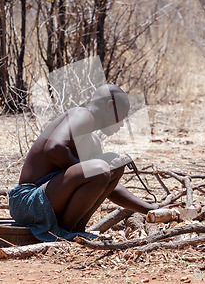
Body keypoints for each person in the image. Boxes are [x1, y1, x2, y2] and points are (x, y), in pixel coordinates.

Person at [9, 84, 158, 241]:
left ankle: (74, 229)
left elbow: (105, 182)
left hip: (46, 202)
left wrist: (150, 208)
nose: (121, 124)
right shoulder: (82, 114)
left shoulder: (93, 140)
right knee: (101, 168)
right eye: (121, 116)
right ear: (110, 106)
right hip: (27, 202)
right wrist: (87, 169)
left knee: (114, 166)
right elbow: (53, 148)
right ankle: (65, 233)